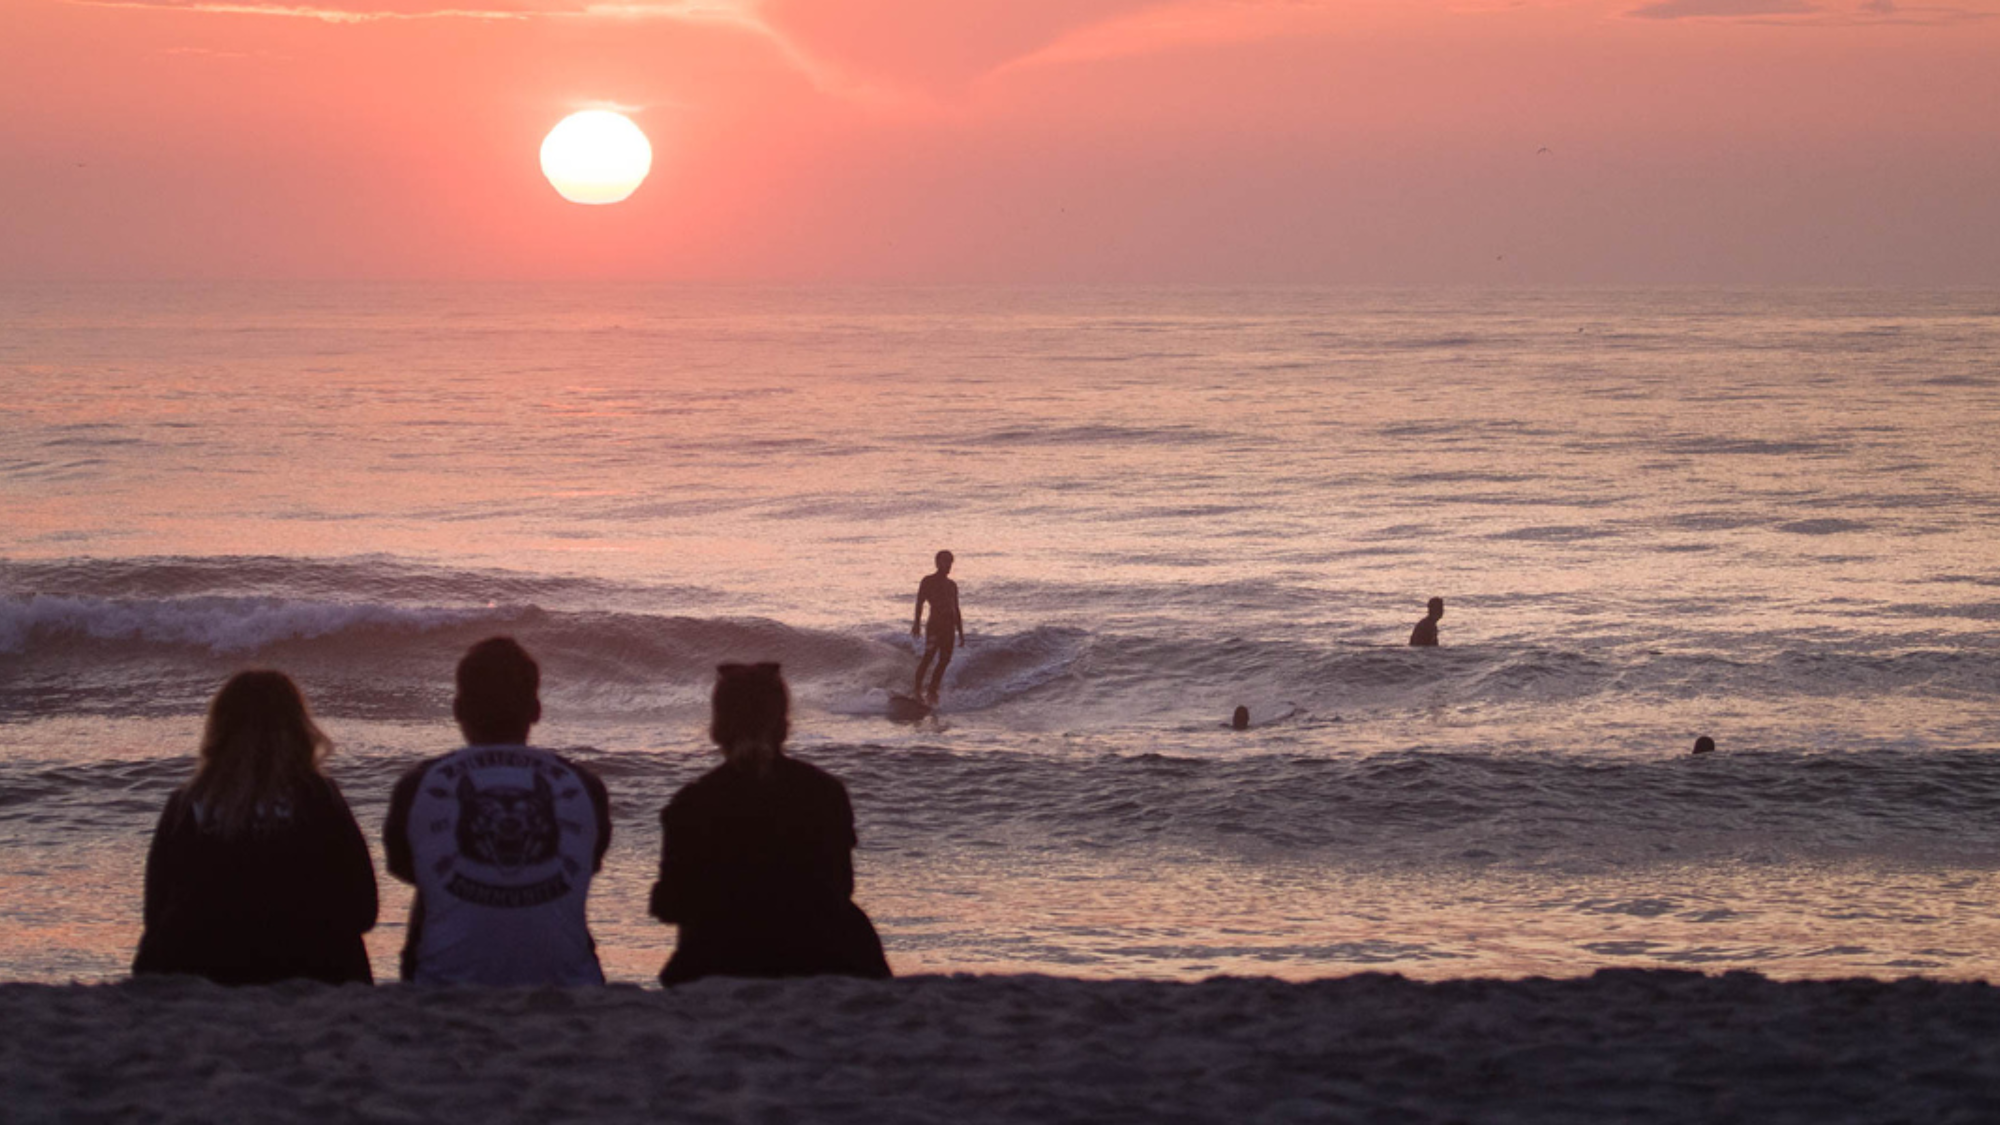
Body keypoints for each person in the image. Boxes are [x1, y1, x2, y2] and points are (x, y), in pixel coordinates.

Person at [384, 637, 610, 986]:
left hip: (443, 986)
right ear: (536, 710)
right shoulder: (584, 785)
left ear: (457, 709)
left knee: (433, 885)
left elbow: (406, 867)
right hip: (568, 988)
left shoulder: (418, 785)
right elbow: (586, 864)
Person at [650, 662, 891, 986]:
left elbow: (670, 905)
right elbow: (841, 886)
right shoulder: (825, 792)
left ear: (718, 727)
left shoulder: (692, 803)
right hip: (824, 959)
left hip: (721, 963)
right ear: (783, 724)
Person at [133, 670, 377, 985]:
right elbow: (363, 909)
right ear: (299, 727)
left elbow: (156, 916)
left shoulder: (184, 805)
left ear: (217, 729)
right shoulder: (320, 798)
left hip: (197, 972)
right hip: (308, 970)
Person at [911, 550, 965, 704]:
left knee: (945, 660)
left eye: (950, 562)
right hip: (935, 625)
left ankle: (932, 690)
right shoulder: (928, 581)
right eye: (945, 562)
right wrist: (916, 623)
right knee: (928, 657)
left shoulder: (952, 585)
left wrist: (960, 632)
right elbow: (920, 602)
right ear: (937, 563)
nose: (948, 565)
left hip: (949, 628)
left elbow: (956, 608)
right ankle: (916, 690)